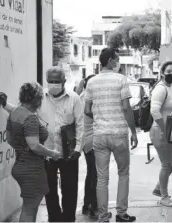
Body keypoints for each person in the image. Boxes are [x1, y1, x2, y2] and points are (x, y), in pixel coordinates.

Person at [0, 67, 84, 222]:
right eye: (50, 81)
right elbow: (21, 111)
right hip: (46, 154)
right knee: (49, 191)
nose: (53, 84)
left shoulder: (74, 99)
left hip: (69, 153)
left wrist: (78, 148)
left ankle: (69, 219)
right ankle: (55, 219)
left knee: (70, 190)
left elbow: (80, 126)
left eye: (56, 81)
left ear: (64, 81)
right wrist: (5, 105)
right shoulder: (39, 98)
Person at [84, 48, 138, 222]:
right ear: (109, 61)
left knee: (102, 177)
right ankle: (121, 214)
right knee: (123, 173)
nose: (118, 62)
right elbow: (126, 107)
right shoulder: (121, 79)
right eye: (116, 59)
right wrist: (134, 132)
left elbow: (87, 109)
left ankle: (104, 216)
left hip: (99, 135)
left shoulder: (91, 82)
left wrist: (100, 118)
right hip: (119, 134)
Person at [0, 82, 61, 222]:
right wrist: (53, 153)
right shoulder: (31, 118)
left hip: (20, 165)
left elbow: (9, 139)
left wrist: (22, 149)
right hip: (32, 169)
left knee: (29, 206)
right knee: (30, 208)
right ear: (37, 99)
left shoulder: (15, 113)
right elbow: (34, 146)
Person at [150, 61, 172, 207]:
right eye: (168, 71)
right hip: (161, 130)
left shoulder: (170, 88)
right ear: (162, 73)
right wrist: (165, 129)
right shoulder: (161, 89)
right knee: (166, 164)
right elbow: (154, 111)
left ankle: (159, 187)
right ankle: (164, 196)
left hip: (171, 130)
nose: (171, 74)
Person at [78, 74, 98, 218]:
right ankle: (93, 206)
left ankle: (87, 205)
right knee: (96, 174)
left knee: (91, 172)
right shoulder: (90, 98)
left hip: (85, 139)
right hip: (92, 139)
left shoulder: (81, 96)